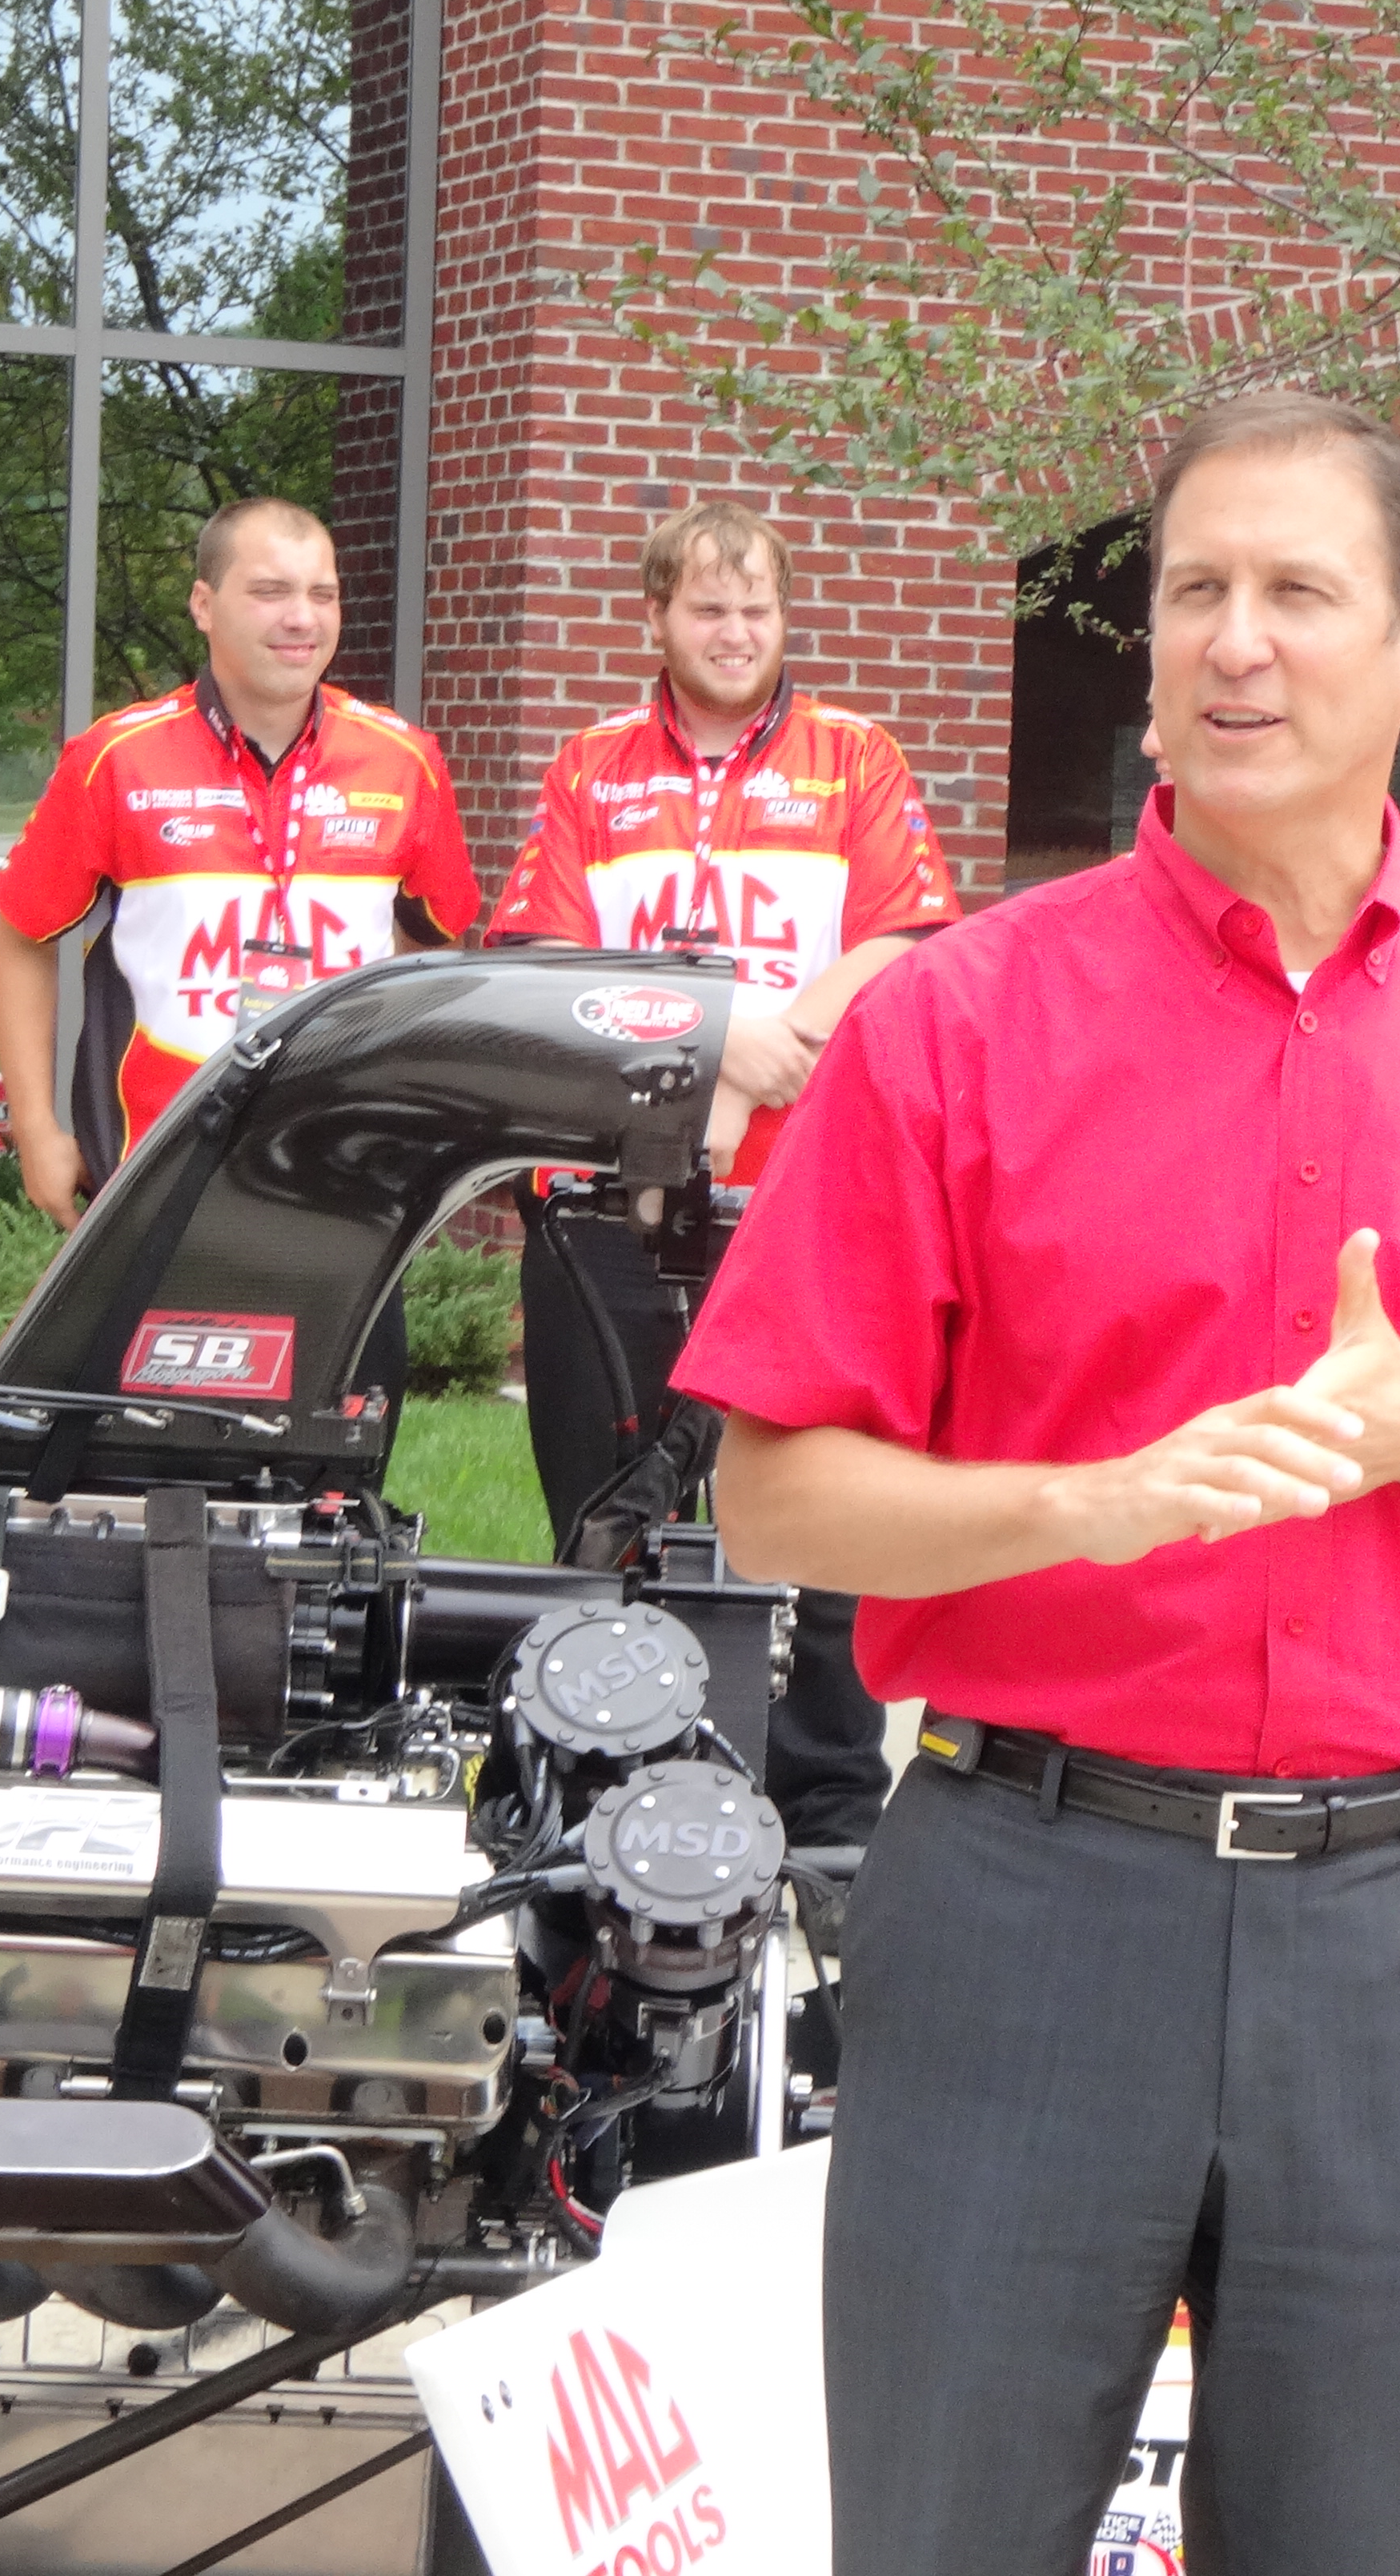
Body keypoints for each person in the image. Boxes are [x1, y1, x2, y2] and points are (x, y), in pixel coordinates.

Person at [674, 393, 1400, 2576]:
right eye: (1195, 590)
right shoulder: (960, 1022)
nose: (1236, 644)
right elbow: (774, 1501)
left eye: (1299, 593)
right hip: (1032, 1907)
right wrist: (1090, 1506)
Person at [483, 494, 957, 1841]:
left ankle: (823, 1794)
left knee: (821, 1499)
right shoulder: (589, 768)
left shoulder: (853, 756)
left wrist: (758, 1053)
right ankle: (610, 1774)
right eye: (708, 606)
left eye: (757, 607)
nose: (736, 630)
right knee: (610, 1499)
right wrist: (710, 1049)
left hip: (814, 1199)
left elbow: (904, 940)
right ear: (656, 618)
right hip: (612, 1204)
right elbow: (548, 962)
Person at [0, 499, 477, 1388]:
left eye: (322, 594)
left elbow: (433, 949)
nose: (302, 617)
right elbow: (23, 940)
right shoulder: (117, 759)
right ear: (204, 604)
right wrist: (36, 1130)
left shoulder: (406, 761)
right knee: (151, 1480)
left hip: (343, 1188)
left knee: (337, 1484)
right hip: (159, 1184)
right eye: (271, 591)